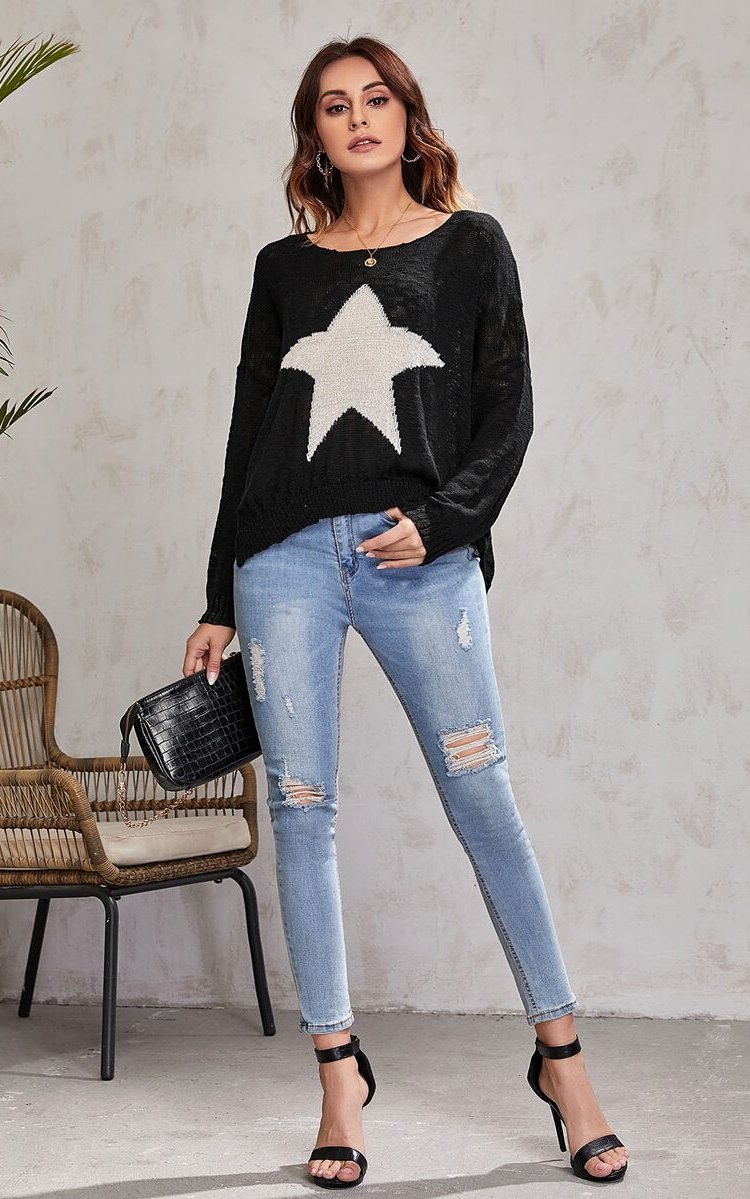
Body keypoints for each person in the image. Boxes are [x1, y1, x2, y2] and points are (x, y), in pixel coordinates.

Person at [183, 34, 628, 1190]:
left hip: (419, 559)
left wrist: (444, 522)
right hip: (283, 562)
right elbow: (248, 431)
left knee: (484, 797)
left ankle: (564, 1061)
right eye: (334, 106)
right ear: (315, 137)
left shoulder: (472, 247)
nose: (358, 117)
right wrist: (219, 594)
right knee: (303, 810)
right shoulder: (284, 268)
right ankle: (339, 1076)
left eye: (375, 98)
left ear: (407, 115)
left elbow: (509, 406)